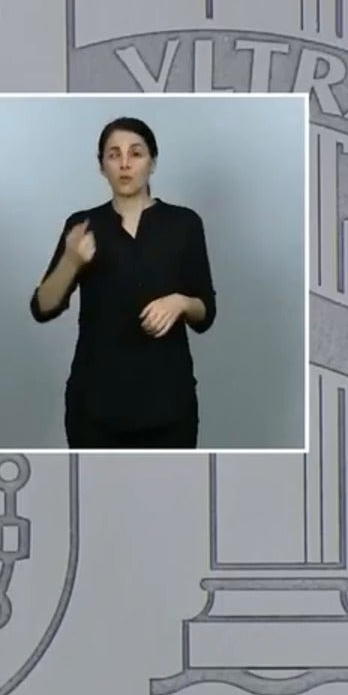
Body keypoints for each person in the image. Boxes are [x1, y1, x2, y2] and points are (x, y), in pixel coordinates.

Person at [29, 116, 216, 449]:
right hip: (94, 408)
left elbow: (206, 313)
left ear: (152, 162)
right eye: (114, 155)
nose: (125, 163)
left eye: (136, 153)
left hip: (169, 406)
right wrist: (71, 262)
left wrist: (180, 302)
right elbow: (42, 307)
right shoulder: (83, 225)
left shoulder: (184, 224)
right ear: (102, 166)